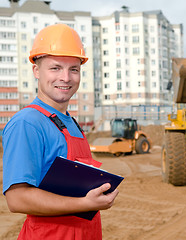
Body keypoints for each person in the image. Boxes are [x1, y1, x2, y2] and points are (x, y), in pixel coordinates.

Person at [2, 23, 119, 240]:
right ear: (36, 71)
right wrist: (85, 203)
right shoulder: (28, 123)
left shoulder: (70, 123)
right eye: (55, 68)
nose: (66, 77)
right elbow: (16, 199)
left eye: (73, 69)